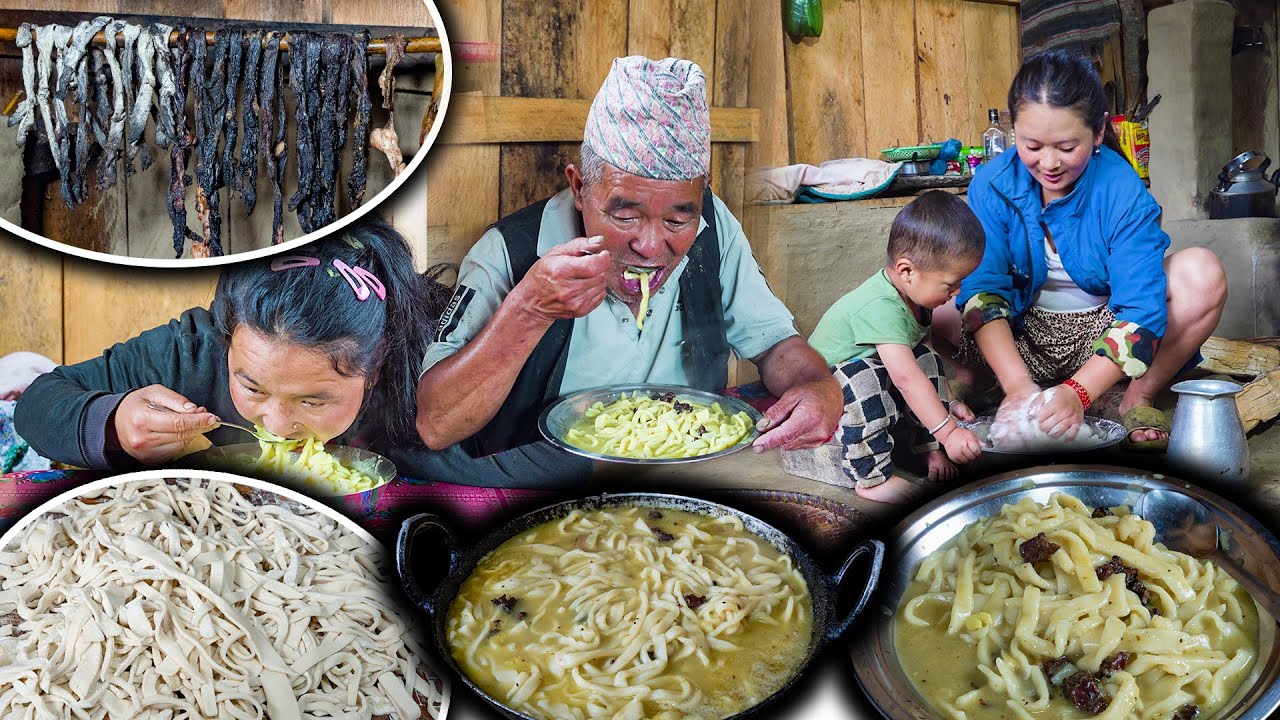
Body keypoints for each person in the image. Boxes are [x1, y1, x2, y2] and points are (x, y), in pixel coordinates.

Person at [416, 56, 842, 471]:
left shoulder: (715, 228)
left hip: (684, 476)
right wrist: (530, 309)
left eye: (677, 220)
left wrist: (819, 387)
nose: (650, 247)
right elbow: (436, 426)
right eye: (625, 216)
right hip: (539, 486)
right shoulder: (509, 251)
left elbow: (775, 344)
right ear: (579, 187)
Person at [933, 50, 1227, 450]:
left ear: (1099, 132)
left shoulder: (1121, 189)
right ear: (1014, 130)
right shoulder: (992, 183)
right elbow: (985, 290)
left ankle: (1136, 396)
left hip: (1099, 333)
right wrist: (1019, 386)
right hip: (1022, 331)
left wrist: (1079, 391)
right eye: (1032, 145)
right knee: (927, 293)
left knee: (1202, 273)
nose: (1049, 163)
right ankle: (989, 381)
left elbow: (1141, 309)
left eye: (1067, 147)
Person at [15, 218, 433, 471]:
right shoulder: (192, 351)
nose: (276, 426)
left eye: (312, 401)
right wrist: (114, 422)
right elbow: (37, 404)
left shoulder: (423, 375)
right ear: (227, 337)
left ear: (375, 367)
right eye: (252, 387)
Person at [809, 191, 986, 504]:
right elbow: (905, 378)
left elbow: (923, 359)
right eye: (950, 284)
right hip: (824, 391)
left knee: (926, 359)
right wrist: (949, 431)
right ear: (907, 271)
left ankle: (929, 450)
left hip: (876, 376)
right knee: (866, 378)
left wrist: (950, 400)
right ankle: (871, 478)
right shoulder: (882, 306)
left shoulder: (918, 299)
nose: (957, 292)